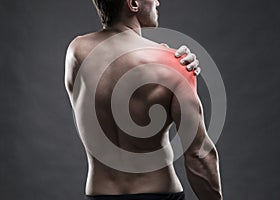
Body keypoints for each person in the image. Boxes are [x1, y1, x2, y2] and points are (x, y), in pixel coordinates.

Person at [64, 0, 222, 199]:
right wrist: (173, 62)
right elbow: (199, 154)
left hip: (100, 194)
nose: (157, 1)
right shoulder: (173, 64)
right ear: (134, 3)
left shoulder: (76, 52)